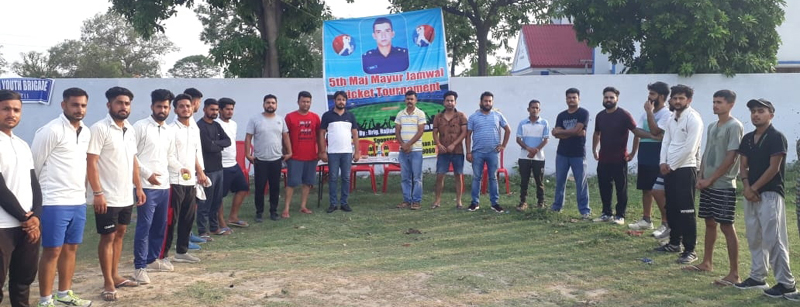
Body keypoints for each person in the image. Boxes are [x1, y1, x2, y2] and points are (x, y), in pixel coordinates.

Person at [32, 87, 93, 307]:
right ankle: (45, 300)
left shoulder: (86, 131)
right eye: (75, 105)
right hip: (53, 201)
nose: (79, 109)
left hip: (77, 200)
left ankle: (64, 294)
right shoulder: (50, 130)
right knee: (52, 250)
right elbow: (35, 166)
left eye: (83, 105)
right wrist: (36, 201)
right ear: (63, 105)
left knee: (71, 248)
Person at [86, 86, 146, 301]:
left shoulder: (129, 129)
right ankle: (108, 282)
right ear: (109, 105)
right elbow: (91, 163)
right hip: (106, 196)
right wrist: (98, 193)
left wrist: (138, 187)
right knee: (108, 236)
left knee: (120, 234)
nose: (124, 107)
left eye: (127, 103)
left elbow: (133, 162)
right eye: (119, 103)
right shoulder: (99, 129)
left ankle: (115, 274)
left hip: (125, 195)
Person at [734, 98, 797, 298]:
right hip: (750, 193)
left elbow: (774, 168)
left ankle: (786, 283)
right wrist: (746, 187)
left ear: (771, 114)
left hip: (770, 193)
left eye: (761, 111)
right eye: (753, 111)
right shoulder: (748, 138)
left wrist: (753, 187)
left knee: (774, 238)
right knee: (754, 236)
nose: (756, 114)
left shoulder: (776, 137)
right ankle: (757, 276)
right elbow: (742, 165)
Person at [681, 90, 743, 286]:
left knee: (726, 225)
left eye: (720, 102)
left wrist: (712, 179)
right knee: (709, 222)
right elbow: (707, 151)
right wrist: (701, 175)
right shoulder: (712, 126)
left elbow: (731, 156)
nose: (715, 105)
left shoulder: (735, 126)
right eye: (714, 101)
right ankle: (707, 262)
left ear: (731, 104)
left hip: (723, 184)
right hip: (707, 181)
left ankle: (734, 273)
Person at [131, 89, 190, 282]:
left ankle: (152, 259)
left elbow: (170, 156)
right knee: (144, 226)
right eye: (159, 106)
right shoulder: (140, 127)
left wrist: (180, 168)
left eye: (165, 107)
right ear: (152, 107)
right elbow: (132, 156)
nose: (162, 110)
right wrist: (147, 175)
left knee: (160, 226)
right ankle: (139, 267)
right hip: (146, 187)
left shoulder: (169, 131)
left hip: (164, 186)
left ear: (169, 108)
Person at [653, 85, 703, 266]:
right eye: (675, 98)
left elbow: (691, 148)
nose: (677, 101)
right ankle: (674, 243)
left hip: (685, 168)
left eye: (681, 98)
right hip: (669, 168)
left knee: (686, 209)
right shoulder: (672, 118)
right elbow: (666, 141)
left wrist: (672, 165)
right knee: (671, 206)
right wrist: (662, 163)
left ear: (689, 100)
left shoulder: (694, 118)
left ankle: (690, 249)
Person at [0, 90, 41, 307]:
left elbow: (34, 184)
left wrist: (36, 217)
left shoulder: (22, 145)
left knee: (23, 282)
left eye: (16, 110)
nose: (11, 114)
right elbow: (1, 189)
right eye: (6, 108)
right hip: (3, 226)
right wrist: (25, 217)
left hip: (26, 226)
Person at [162, 94, 207, 264]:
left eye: (188, 106)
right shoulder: (171, 129)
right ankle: (164, 255)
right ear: (175, 109)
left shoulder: (194, 129)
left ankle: (182, 251)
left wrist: (200, 172)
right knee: (171, 220)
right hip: (174, 180)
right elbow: (168, 155)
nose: (185, 109)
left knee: (188, 218)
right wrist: (181, 169)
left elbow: (195, 153)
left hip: (190, 181)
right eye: (181, 106)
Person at [628, 82, 671, 238]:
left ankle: (665, 223)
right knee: (646, 188)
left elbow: (656, 130)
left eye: (652, 94)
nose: (649, 97)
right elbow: (636, 131)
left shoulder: (666, 114)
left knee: (658, 189)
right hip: (645, 152)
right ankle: (646, 219)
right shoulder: (646, 112)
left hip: (658, 154)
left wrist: (650, 114)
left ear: (661, 96)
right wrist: (652, 136)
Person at [591, 87, 637, 225]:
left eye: (611, 97)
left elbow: (636, 133)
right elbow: (596, 133)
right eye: (606, 97)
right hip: (604, 158)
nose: (608, 100)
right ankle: (606, 213)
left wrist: (633, 153)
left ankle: (620, 215)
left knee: (621, 188)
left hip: (620, 159)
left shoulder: (624, 115)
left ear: (617, 98)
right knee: (604, 187)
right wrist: (595, 150)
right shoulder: (600, 116)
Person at [245, 94, 292, 222]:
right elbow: (248, 137)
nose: (270, 105)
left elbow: (285, 136)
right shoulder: (255, 119)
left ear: (276, 105)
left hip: (276, 159)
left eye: (273, 103)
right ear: (263, 104)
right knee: (260, 187)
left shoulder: (280, 120)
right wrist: (247, 154)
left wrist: (290, 152)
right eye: (268, 103)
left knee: (275, 187)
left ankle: (273, 211)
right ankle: (259, 213)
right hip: (260, 159)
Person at [465, 91, 511, 212]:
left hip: (493, 152)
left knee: (493, 178)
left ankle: (494, 203)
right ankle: (474, 203)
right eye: (485, 101)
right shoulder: (473, 117)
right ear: (481, 102)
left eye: (490, 101)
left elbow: (508, 130)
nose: (487, 103)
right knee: (476, 178)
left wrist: (503, 145)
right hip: (477, 153)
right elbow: (468, 135)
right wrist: (468, 152)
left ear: (492, 102)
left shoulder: (498, 115)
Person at [550, 88, 591, 218]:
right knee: (560, 181)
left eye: (574, 97)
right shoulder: (561, 115)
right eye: (569, 97)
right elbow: (558, 134)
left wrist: (561, 132)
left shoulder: (583, 113)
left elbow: (577, 131)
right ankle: (557, 207)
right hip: (562, 153)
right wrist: (572, 132)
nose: (571, 100)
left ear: (579, 98)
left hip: (578, 154)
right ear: (566, 99)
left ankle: (584, 210)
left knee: (581, 183)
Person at [319, 91, 360, 213]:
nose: (341, 101)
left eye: (343, 99)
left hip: (347, 152)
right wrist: (322, 151)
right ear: (334, 101)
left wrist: (357, 151)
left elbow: (355, 134)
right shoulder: (327, 116)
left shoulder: (350, 116)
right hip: (332, 152)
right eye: (338, 99)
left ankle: (344, 203)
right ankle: (333, 204)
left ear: (346, 101)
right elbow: (321, 133)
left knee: (346, 178)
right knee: (332, 178)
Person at [196, 99, 232, 237]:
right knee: (205, 202)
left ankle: (214, 228)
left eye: (217, 110)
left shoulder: (217, 125)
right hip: (207, 170)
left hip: (219, 169)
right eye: (212, 109)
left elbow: (227, 141)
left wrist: (215, 143)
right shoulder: (200, 126)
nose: (215, 112)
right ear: (204, 109)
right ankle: (202, 231)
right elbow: (208, 147)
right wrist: (218, 145)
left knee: (216, 202)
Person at [283, 91, 321, 217]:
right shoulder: (290, 117)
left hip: (311, 156)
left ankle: (303, 206)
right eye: (303, 101)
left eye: (308, 102)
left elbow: (319, 135)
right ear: (298, 102)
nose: (306, 104)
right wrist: (287, 152)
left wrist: (321, 151)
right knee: (292, 183)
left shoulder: (315, 117)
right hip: (295, 156)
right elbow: (284, 135)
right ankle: (286, 208)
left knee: (308, 182)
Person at [216, 98, 250, 228]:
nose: (230, 112)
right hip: (221, 165)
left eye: (232, 109)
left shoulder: (234, 124)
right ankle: (220, 222)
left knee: (243, 188)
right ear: (220, 110)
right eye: (227, 109)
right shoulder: (215, 124)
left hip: (233, 164)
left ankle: (233, 217)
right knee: (220, 196)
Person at [432, 90, 467, 209]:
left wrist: (454, 144)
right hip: (443, 152)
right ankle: (437, 201)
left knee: (458, 175)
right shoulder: (438, 117)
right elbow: (434, 133)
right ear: (444, 102)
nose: (450, 103)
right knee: (440, 175)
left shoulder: (461, 116)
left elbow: (464, 133)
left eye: (452, 101)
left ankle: (459, 201)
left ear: (455, 102)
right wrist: (438, 144)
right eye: (447, 100)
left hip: (458, 151)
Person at [395, 90, 427, 210]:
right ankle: (407, 200)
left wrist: (408, 144)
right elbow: (397, 131)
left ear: (416, 100)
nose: (409, 101)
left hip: (416, 150)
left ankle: (416, 201)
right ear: (405, 100)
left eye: (411, 99)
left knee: (417, 177)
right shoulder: (400, 114)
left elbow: (420, 132)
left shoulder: (420, 114)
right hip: (403, 151)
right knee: (405, 177)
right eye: (407, 99)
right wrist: (403, 145)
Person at [515, 99, 549, 211]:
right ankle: (523, 202)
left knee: (539, 180)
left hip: (539, 157)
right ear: (528, 109)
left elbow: (546, 139)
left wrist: (535, 150)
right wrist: (528, 148)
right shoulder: (522, 123)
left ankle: (541, 202)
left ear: (539, 110)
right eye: (532, 107)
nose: (534, 110)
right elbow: (518, 139)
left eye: (536, 108)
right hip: (524, 156)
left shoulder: (544, 123)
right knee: (524, 180)